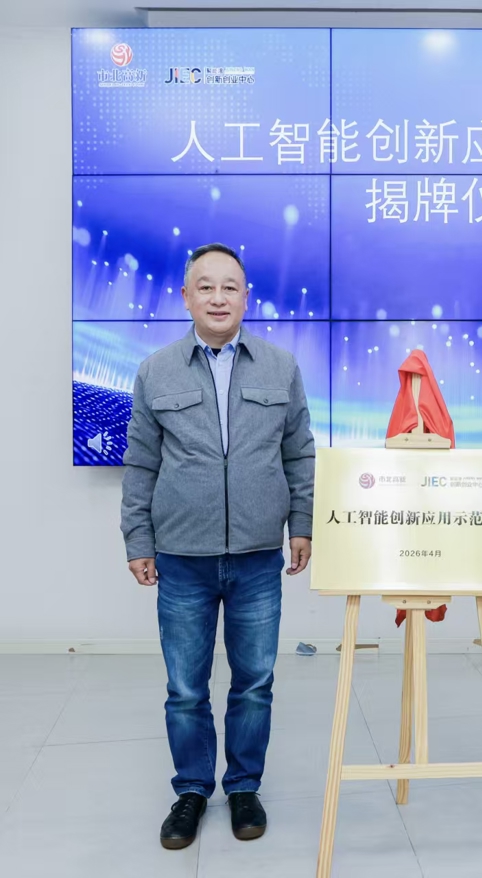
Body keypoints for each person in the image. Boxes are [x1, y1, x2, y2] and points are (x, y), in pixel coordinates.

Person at [121, 243, 315, 849]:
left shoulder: (280, 367)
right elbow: (141, 464)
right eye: (205, 286)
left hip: (258, 557)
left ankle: (244, 787)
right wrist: (137, 538)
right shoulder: (156, 370)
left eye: (230, 286)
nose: (218, 297)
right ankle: (191, 791)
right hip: (182, 557)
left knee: (254, 682)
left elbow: (299, 454)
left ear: (246, 296)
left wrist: (302, 524)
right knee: (186, 687)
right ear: (186, 297)